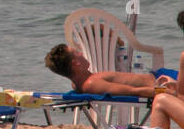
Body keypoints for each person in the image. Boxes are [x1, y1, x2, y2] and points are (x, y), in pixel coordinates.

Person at [44, 44, 177, 98]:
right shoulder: (91, 83)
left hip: (161, 76)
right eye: (76, 52)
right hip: (165, 82)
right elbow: (135, 91)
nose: (81, 53)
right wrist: (170, 92)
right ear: (75, 63)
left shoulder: (78, 83)